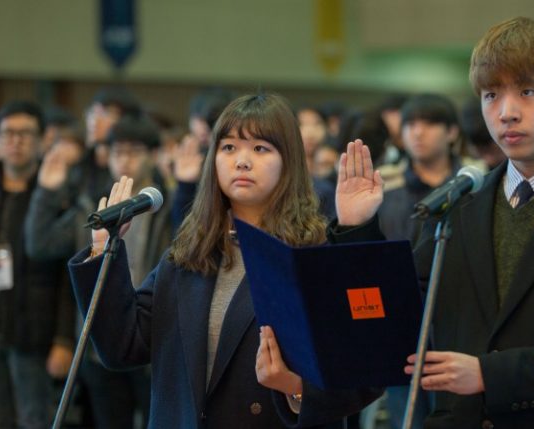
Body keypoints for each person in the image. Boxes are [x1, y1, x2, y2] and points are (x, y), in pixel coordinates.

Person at [330, 16, 534, 428]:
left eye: (527, 92)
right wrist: (357, 229)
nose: (506, 113)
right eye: (491, 95)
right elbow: (399, 313)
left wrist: (488, 375)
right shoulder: (460, 204)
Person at [67, 93, 379, 428]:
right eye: (228, 147)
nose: (241, 161)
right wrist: (103, 251)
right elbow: (123, 346)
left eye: (260, 149)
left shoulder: (313, 251)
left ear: (289, 161)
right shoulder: (190, 252)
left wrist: (295, 387)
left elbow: (366, 364)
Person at [0, 101, 75, 429]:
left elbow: (68, 275)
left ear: (43, 141)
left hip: (33, 332)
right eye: (8, 133)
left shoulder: (57, 194)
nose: (16, 141)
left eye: (26, 134)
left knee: (34, 420)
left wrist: (64, 338)